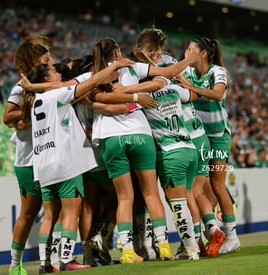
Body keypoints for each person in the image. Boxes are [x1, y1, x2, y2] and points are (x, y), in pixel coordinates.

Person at [89, 37, 199, 263]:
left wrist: (112, 102)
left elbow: (98, 100)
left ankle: (128, 251)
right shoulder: (133, 66)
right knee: (151, 194)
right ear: (118, 51)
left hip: (110, 138)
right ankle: (164, 246)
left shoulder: (93, 75)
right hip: (140, 134)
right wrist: (188, 60)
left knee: (124, 198)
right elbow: (164, 76)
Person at [20, 58, 135, 272]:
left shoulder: (36, 101)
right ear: (47, 78)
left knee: (50, 216)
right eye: (54, 72)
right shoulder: (58, 94)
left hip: (43, 165)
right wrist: (112, 67)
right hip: (64, 164)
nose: (58, 74)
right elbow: (89, 84)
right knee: (71, 212)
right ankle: (65, 260)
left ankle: (47, 263)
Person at [178, 37, 241, 254]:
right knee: (199, 188)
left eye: (190, 49)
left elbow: (217, 94)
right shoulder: (188, 72)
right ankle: (209, 232)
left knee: (217, 185)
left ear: (202, 53)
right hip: (199, 137)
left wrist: (189, 87)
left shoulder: (217, 71)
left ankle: (232, 237)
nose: (186, 53)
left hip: (218, 136)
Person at [2, 34, 52, 275]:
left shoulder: (49, 83)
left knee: (56, 210)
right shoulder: (21, 87)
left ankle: (50, 260)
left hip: (49, 157)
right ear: (33, 61)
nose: (50, 63)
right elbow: (6, 116)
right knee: (29, 212)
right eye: (46, 59)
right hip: (28, 160)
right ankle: (15, 264)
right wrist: (26, 115)